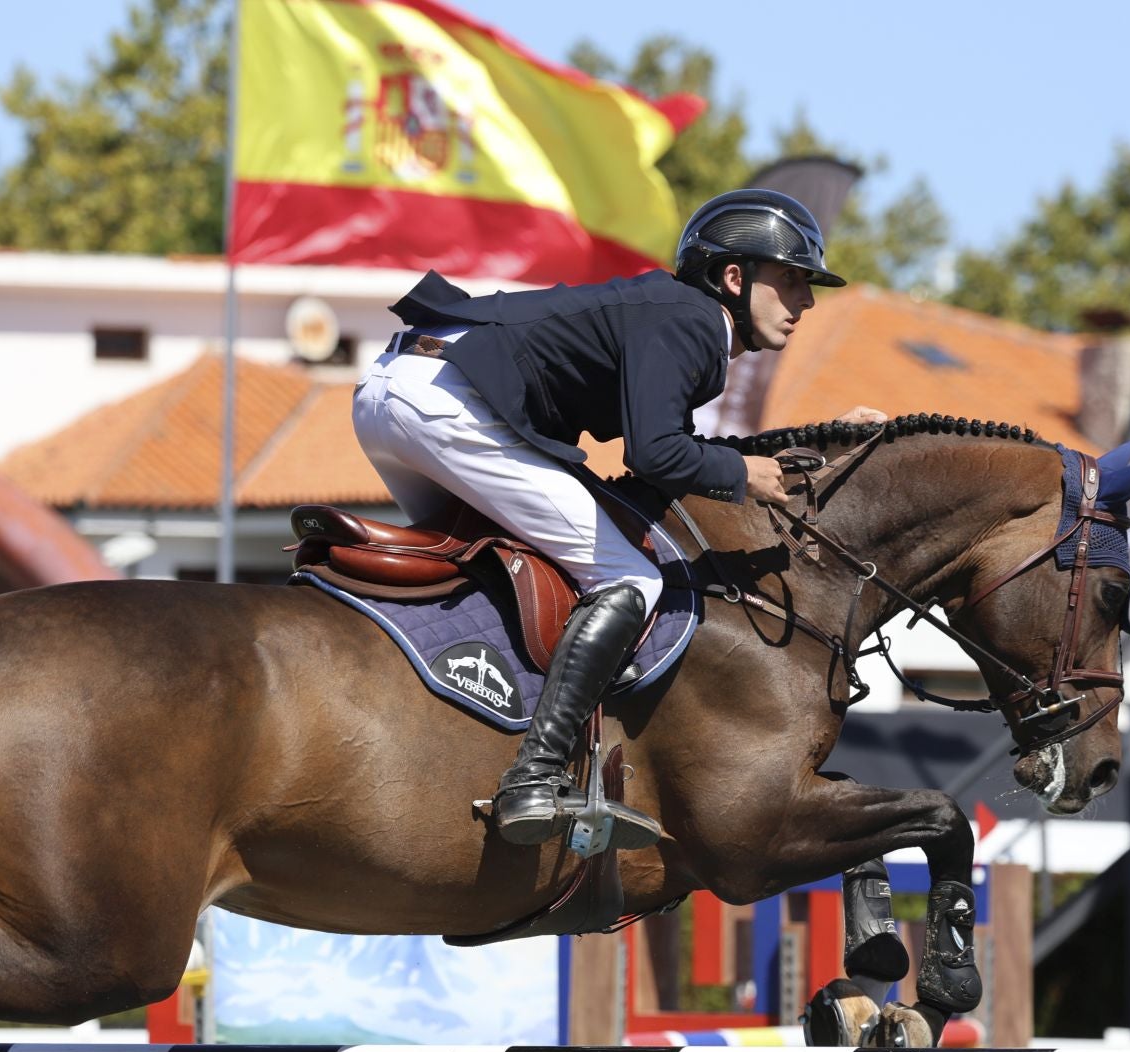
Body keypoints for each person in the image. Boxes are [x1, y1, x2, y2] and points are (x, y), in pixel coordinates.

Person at [351, 188, 881, 847]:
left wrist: (815, 440)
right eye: (792, 280)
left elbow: (683, 452)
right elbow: (656, 454)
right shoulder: (694, 321)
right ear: (733, 277)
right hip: (447, 405)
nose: (805, 302)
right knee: (630, 578)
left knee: (504, 566)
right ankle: (534, 777)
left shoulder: (676, 313)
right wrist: (744, 474)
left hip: (397, 393)